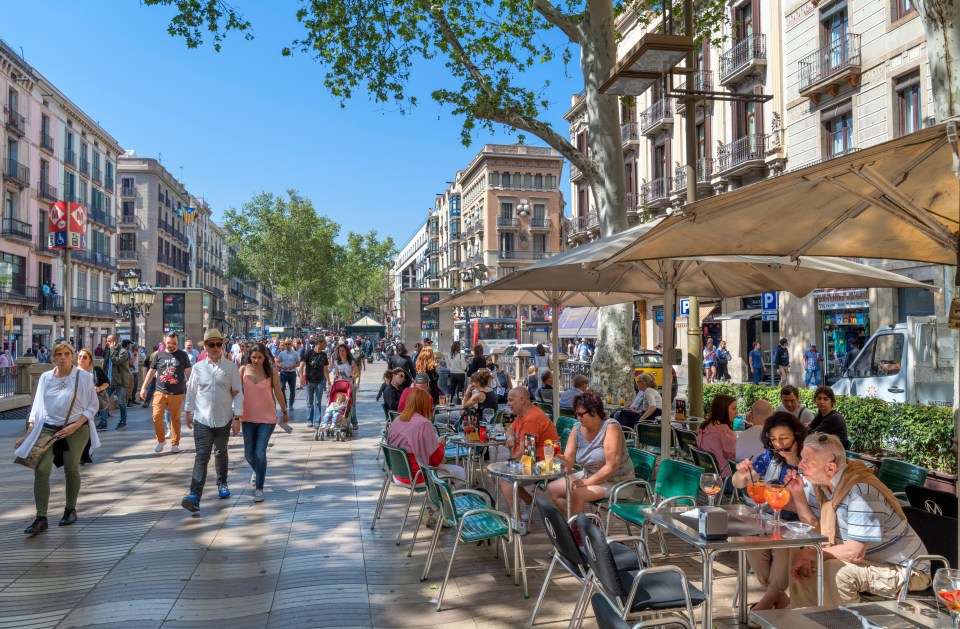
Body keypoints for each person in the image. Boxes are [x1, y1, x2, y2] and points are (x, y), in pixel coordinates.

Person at [785, 433, 930, 606]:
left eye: (808, 461)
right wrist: (798, 495)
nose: (801, 465)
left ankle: (843, 622)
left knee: (836, 570)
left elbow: (854, 553)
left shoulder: (861, 492)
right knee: (798, 549)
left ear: (830, 468)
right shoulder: (826, 485)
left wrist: (811, 552)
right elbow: (820, 532)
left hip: (907, 570)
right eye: (802, 459)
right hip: (872, 561)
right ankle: (804, 617)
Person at [14, 342, 100, 535]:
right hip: (48, 429)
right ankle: (41, 518)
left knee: (71, 468)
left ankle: (70, 509)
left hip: (76, 428)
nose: (63, 357)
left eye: (67, 354)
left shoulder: (83, 377)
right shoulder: (45, 377)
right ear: (53, 357)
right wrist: (29, 432)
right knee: (41, 470)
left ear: (72, 356)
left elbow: (93, 407)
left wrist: (75, 426)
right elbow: (37, 407)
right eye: (59, 354)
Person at [731, 411, 808, 610]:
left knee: (782, 546)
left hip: (802, 525)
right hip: (772, 520)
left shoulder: (809, 460)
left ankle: (768, 600)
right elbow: (739, 483)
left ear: (797, 436)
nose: (779, 444)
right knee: (748, 540)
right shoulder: (770, 457)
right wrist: (741, 473)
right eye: (774, 439)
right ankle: (778, 597)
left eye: (783, 438)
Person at [181, 329, 244, 512]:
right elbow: (191, 391)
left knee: (221, 452)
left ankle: (222, 483)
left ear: (223, 346)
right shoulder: (198, 368)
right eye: (211, 344)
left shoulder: (230, 367)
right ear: (205, 347)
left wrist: (237, 417)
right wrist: (187, 411)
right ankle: (194, 495)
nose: (215, 347)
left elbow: (238, 393)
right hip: (202, 418)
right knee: (202, 455)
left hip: (224, 417)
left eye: (218, 344)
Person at [548, 390, 634, 517]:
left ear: (594, 412)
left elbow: (612, 466)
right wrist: (557, 458)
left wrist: (587, 482)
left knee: (577, 494)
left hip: (616, 481)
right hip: (589, 475)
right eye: (576, 414)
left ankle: (579, 532)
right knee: (553, 488)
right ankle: (582, 525)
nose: (578, 418)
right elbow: (569, 462)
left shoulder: (611, 428)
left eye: (581, 414)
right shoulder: (577, 428)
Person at [499, 387, 559, 534]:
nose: (508, 403)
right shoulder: (522, 414)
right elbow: (510, 429)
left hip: (544, 463)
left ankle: (518, 524)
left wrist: (505, 464)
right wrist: (511, 437)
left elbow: (526, 452)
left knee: (505, 479)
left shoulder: (532, 419)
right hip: (531, 459)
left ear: (522, 401)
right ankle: (531, 503)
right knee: (501, 476)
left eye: (511, 400)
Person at [387, 388, 466, 487]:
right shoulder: (423, 424)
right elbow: (435, 460)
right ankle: (452, 500)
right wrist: (441, 444)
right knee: (460, 472)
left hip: (398, 474)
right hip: (418, 476)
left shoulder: (396, 420)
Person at [240, 342, 287, 502]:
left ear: (265, 357)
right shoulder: (242, 370)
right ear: (249, 357)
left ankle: (259, 488)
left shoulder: (271, 371)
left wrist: (284, 411)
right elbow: (237, 394)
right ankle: (258, 471)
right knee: (249, 455)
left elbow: (278, 392)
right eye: (254, 357)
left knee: (259, 453)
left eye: (260, 357)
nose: (256, 360)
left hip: (267, 418)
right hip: (247, 417)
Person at [140, 332, 192, 454]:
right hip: (160, 391)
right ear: (164, 341)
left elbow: (189, 372)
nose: (171, 345)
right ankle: (161, 440)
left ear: (177, 342)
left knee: (175, 419)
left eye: (174, 343)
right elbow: (151, 372)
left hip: (177, 392)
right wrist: (143, 388)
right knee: (156, 416)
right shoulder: (159, 355)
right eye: (169, 343)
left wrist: (190, 382)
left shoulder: (183, 355)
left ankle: (175, 443)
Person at [696, 393, 738, 477]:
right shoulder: (723, 430)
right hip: (725, 479)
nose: (737, 412)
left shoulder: (705, 426)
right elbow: (735, 455)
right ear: (723, 409)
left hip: (707, 475)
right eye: (734, 409)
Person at [103, 334, 131, 430]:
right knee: (104, 401)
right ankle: (103, 423)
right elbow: (105, 365)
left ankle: (123, 421)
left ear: (115, 342)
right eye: (107, 341)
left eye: (109, 341)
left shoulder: (123, 351)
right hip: (109, 381)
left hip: (119, 381)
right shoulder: (107, 351)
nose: (107, 343)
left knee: (121, 403)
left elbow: (116, 361)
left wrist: (112, 350)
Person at [299, 337, 329, 428]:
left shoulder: (324, 355)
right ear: (319, 343)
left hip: (320, 381)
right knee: (309, 402)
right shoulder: (309, 353)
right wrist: (301, 377)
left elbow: (326, 368)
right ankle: (309, 420)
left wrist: (328, 380)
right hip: (309, 381)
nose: (326, 345)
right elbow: (301, 366)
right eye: (324, 343)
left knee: (317, 402)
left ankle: (317, 421)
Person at [331, 343, 361, 431]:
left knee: (352, 405)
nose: (341, 353)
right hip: (341, 387)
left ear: (347, 352)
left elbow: (357, 372)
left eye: (343, 351)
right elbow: (336, 373)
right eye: (340, 351)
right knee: (341, 404)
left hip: (350, 386)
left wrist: (353, 377)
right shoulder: (336, 362)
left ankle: (354, 423)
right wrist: (335, 376)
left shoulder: (351, 362)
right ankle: (342, 422)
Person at [78, 349, 110, 430]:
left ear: (90, 360)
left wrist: (99, 388)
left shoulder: (96, 369)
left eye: (85, 357)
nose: (81, 359)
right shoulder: (74, 371)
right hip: (80, 402)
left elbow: (107, 382)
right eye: (79, 357)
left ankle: (103, 423)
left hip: (95, 398)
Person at [275, 340, 300, 409]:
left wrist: (294, 366)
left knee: (292, 389)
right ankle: (285, 403)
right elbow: (277, 362)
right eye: (286, 344)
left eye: (289, 344)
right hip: (283, 373)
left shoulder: (295, 353)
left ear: (291, 345)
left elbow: (299, 363)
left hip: (292, 373)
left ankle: (291, 404)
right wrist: (281, 366)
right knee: (281, 388)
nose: (287, 345)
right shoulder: (282, 353)